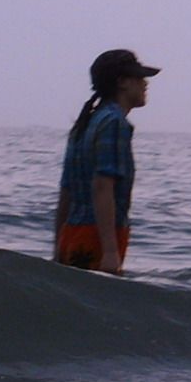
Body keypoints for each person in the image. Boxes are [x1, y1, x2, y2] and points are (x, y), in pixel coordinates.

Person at [54, 49, 160, 274]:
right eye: (139, 77)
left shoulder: (85, 124)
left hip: (72, 233)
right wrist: (111, 251)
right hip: (97, 238)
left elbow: (66, 191)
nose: (145, 83)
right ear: (122, 82)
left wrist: (57, 246)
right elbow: (102, 186)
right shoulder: (113, 122)